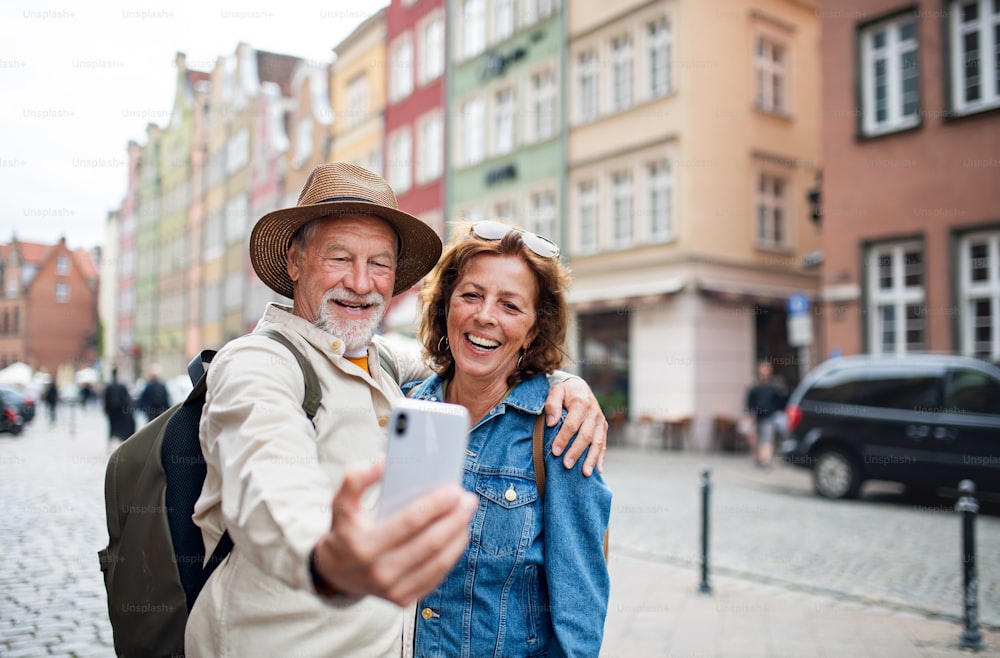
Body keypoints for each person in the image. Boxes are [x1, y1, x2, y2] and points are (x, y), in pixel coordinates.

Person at [185, 163, 608, 657]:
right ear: (295, 261)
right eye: (340, 258)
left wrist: (563, 382)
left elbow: (465, 355)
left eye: (379, 264)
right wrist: (327, 556)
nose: (361, 283)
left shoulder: (379, 362)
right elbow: (268, 479)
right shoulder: (258, 364)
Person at [405, 220, 612, 657]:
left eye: (511, 306)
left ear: (534, 330)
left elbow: (579, 613)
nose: (485, 316)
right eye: (472, 295)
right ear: (446, 306)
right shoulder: (404, 411)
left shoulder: (561, 432)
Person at [744, 360, 786, 468]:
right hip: (757, 417)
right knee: (756, 440)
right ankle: (759, 459)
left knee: (767, 438)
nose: (764, 373)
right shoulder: (755, 387)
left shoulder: (774, 387)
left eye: (766, 370)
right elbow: (750, 402)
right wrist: (749, 414)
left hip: (769, 417)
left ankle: (766, 460)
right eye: (763, 370)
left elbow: (780, 401)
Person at [103, 368, 135, 447]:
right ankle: (118, 438)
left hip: (111, 410)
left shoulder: (109, 386)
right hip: (120, 409)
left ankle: (112, 439)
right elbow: (126, 398)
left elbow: (106, 399)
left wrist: (106, 409)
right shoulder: (121, 385)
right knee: (120, 425)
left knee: (112, 425)